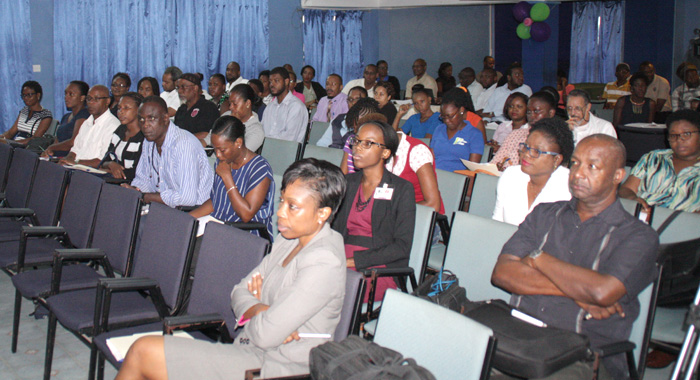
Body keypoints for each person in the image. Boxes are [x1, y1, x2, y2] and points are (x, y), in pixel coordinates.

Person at [116, 158, 347, 380]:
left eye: (292, 207)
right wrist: (262, 309)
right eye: (282, 201)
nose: (280, 213)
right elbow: (238, 291)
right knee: (143, 351)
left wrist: (257, 310)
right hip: (250, 350)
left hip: (277, 367)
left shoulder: (324, 261)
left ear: (322, 214)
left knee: (143, 352)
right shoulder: (289, 240)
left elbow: (266, 335)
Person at [491, 134, 659, 379]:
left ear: (617, 176)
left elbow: (602, 292)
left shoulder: (638, 236)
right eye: (576, 163)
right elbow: (503, 273)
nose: (578, 173)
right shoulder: (545, 214)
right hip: (518, 335)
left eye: (592, 166)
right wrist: (580, 293)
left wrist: (537, 258)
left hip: (583, 354)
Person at [333, 120, 415, 302]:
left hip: (379, 267)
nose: (357, 148)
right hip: (342, 256)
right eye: (357, 141)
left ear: (385, 152)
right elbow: (334, 230)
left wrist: (351, 262)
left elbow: (401, 247)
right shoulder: (348, 183)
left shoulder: (402, 189)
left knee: (328, 288)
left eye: (368, 144)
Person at [190, 116, 274, 238]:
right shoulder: (223, 161)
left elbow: (246, 215)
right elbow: (216, 201)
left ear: (238, 143)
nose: (217, 155)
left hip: (246, 234)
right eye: (215, 149)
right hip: (217, 225)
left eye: (222, 150)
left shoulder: (260, 169)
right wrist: (187, 219)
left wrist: (228, 178)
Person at [125, 96, 213, 208]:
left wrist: (146, 197)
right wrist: (135, 190)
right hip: (164, 207)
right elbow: (143, 179)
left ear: (166, 118)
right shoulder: (149, 141)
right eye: (141, 119)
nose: (145, 125)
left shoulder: (183, 145)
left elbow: (187, 199)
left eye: (151, 118)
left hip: (193, 212)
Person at [492, 117, 574, 225]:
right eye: (526, 146)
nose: (526, 154)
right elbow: (497, 224)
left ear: (556, 159)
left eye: (536, 151)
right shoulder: (510, 176)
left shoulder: (570, 188)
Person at [619, 109, 700, 213]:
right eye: (673, 135)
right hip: (642, 219)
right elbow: (626, 189)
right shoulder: (653, 158)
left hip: (684, 224)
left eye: (686, 134)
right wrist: (633, 200)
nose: (679, 139)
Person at [388, 116, 444, 214]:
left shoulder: (417, 151)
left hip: (420, 214)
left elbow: (433, 205)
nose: (358, 148)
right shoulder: (376, 152)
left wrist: (395, 209)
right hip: (393, 213)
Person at [490, 91, 557, 171]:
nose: (532, 115)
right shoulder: (516, 134)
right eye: (529, 112)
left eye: (536, 111)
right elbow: (494, 163)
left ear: (551, 113)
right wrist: (496, 168)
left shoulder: (555, 139)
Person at [58, 85, 120, 167]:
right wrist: (67, 159)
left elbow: (103, 160)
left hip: (93, 173)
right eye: (89, 99)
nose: (91, 102)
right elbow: (75, 150)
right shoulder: (87, 122)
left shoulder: (113, 125)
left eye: (96, 99)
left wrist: (76, 163)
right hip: (76, 168)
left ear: (107, 101)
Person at [430, 88, 484, 171]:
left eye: (451, 116)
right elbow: (431, 159)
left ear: (461, 110)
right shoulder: (439, 129)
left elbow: (472, 170)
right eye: (444, 117)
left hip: (456, 179)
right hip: (435, 175)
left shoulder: (474, 134)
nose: (447, 121)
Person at [101, 92, 145, 181]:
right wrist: (110, 164)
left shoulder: (144, 137)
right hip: (113, 179)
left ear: (139, 110)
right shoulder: (120, 130)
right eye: (119, 108)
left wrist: (109, 171)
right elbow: (105, 160)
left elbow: (137, 173)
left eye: (126, 108)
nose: (121, 112)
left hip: (131, 184)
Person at [262, 67, 309, 143]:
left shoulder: (296, 106)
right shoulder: (270, 106)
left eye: (276, 81)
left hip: (286, 151)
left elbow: (289, 138)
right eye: (270, 81)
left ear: (286, 81)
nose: (272, 84)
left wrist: (267, 143)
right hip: (267, 149)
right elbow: (262, 130)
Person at [44, 81, 90, 156]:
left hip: (71, 158)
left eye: (71, 94)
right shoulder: (66, 116)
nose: (66, 97)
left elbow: (74, 142)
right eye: (66, 94)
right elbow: (57, 140)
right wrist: (49, 152)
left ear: (82, 98)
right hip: (57, 157)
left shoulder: (84, 115)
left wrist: (51, 147)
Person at [174, 73, 220, 146]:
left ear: (195, 88)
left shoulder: (208, 107)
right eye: (178, 87)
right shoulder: (181, 110)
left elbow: (206, 134)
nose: (179, 91)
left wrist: (182, 139)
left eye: (183, 87)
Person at [340, 98, 382, 174]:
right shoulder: (351, 140)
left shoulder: (378, 142)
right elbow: (343, 172)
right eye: (357, 124)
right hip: (351, 182)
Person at [228, 84, 265, 153]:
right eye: (230, 104)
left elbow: (239, 154)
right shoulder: (227, 115)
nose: (231, 107)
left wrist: (233, 124)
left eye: (235, 104)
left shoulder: (256, 131)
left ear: (248, 103)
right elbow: (209, 138)